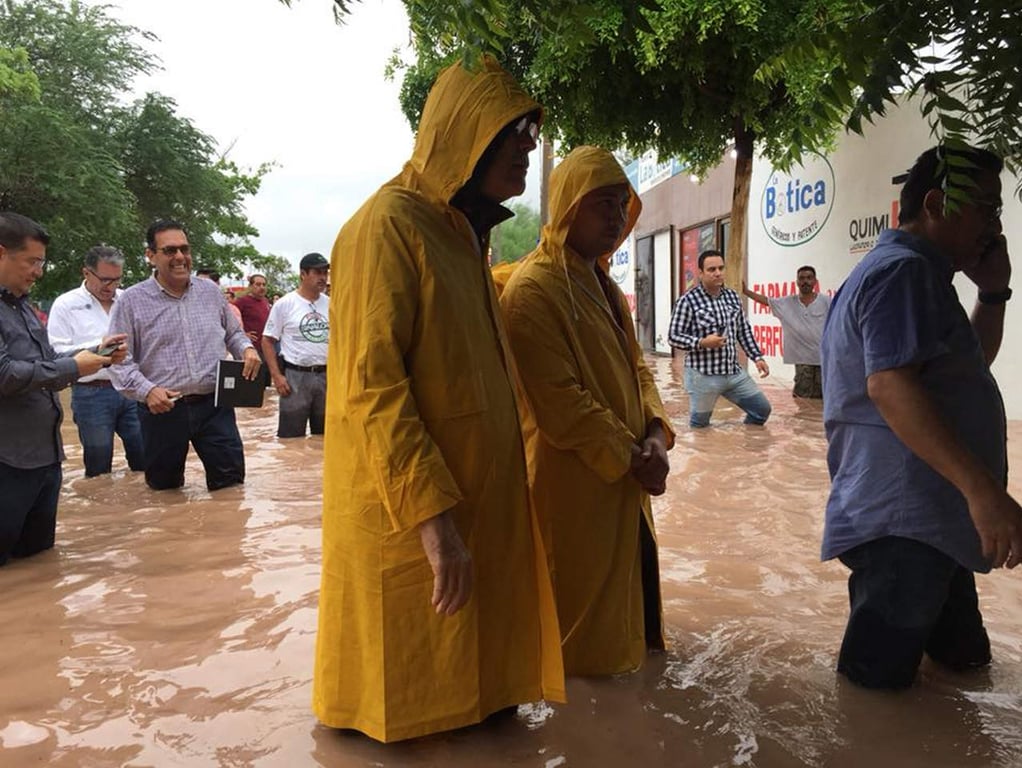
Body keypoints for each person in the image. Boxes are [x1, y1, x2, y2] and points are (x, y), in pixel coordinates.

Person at [313, 57, 565, 742]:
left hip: (476, 506)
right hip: (412, 515)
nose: (529, 146)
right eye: (515, 131)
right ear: (466, 131)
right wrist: (433, 522)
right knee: (409, 707)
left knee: (478, 703)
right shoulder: (386, 226)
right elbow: (373, 387)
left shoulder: (461, 235)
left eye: (533, 132)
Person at [821, 144, 1022, 689]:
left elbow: (968, 371)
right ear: (935, 205)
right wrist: (984, 493)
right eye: (986, 209)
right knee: (872, 692)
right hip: (906, 523)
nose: (994, 226)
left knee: (966, 666)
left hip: (932, 518)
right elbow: (890, 386)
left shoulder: (917, 274)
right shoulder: (904, 273)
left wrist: (994, 293)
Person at [500, 146, 674, 675]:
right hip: (573, 487)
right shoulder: (532, 290)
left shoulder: (604, 285)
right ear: (569, 207)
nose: (617, 217)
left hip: (629, 477)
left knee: (631, 610)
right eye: (602, 204)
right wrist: (633, 457)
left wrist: (656, 434)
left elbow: (639, 370)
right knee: (577, 639)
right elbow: (559, 402)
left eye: (622, 204)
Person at [0, 213, 126, 565]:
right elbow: (5, 375)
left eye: (41, 262)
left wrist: (96, 354)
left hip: (44, 458)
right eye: (32, 261)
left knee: (39, 565)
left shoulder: (21, 306)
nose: (38, 271)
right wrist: (75, 366)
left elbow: (47, 360)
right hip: (8, 461)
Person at [108, 220, 261, 492]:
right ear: (150, 255)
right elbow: (118, 360)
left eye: (184, 249)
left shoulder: (210, 292)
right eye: (169, 250)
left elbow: (234, 334)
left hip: (215, 406)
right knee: (165, 493)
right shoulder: (130, 301)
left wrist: (247, 350)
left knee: (231, 489)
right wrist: (147, 390)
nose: (180, 257)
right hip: (162, 409)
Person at [47, 245, 145, 477]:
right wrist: (99, 349)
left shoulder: (128, 300)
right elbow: (55, 353)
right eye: (105, 280)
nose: (111, 286)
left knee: (146, 457)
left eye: (117, 280)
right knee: (98, 467)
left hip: (132, 389)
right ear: (86, 273)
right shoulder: (66, 304)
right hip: (91, 393)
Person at [668, 249, 772, 427]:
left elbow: (743, 330)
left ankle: (742, 442)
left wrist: (757, 357)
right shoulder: (688, 301)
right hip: (703, 376)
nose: (717, 273)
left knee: (761, 410)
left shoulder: (732, 297)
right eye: (711, 269)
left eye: (721, 268)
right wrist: (702, 342)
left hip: (733, 373)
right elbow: (673, 337)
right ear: (700, 273)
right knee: (700, 428)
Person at [260, 253, 329, 438]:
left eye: (325, 272)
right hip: (294, 377)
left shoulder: (332, 305)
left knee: (324, 438)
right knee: (291, 439)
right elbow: (267, 340)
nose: (323, 277)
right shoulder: (285, 304)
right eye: (317, 272)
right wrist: (276, 376)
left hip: (326, 376)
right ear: (303, 274)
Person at [743, 266, 830, 398]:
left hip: (824, 359)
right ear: (797, 282)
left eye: (809, 278)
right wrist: (746, 291)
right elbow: (766, 301)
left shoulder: (826, 302)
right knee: (803, 399)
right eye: (802, 278)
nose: (805, 281)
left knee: (825, 398)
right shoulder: (787, 303)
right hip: (802, 361)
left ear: (815, 281)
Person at [234, 273, 271, 347]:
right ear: (250, 286)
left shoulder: (265, 301)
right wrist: (243, 335)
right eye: (258, 284)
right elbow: (230, 322)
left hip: (265, 345)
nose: (262, 287)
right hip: (250, 346)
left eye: (264, 285)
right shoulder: (241, 301)